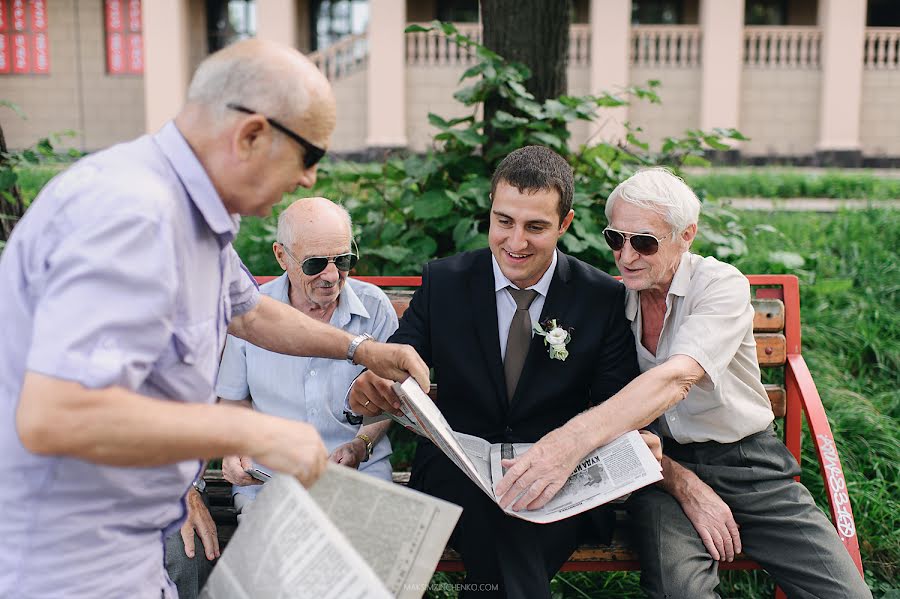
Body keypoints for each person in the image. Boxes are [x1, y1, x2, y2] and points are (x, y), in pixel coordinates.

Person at [0, 39, 427, 598]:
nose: (309, 181)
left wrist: (363, 350)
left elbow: (250, 314)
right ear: (251, 135)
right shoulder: (133, 216)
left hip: (128, 541)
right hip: (71, 556)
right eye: (309, 157)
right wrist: (256, 430)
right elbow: (57, 414)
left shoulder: (186, 214)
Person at [492, 168, 871, 598]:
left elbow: (677, 377)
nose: (626, 256)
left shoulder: (719, 286)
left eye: (645, 242)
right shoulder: (616, 301)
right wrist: (680, 482)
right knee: (681, 593)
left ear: (686, 235)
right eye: (616, 238)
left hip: (749, 464)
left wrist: (566, 445)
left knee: (845, 594)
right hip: (657, 468)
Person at [348, 146, 661, 598]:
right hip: (458, 470)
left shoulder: (599, 298)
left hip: (558, 476)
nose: (515, 243)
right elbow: (397, 363)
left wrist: (629, 438)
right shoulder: (446, 282)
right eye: (504, 221)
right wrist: (373, 386)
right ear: (490, 213)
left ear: (565, 224)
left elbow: (622, 404)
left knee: (510, 522)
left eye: (536, 227)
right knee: (500, 521)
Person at [164, 198, 397, 597]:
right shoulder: (251, 311)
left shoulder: (373, 307)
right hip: (270, 480)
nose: (331, 275)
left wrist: (361, 443)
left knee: (361, 575)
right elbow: (234, 404)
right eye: (314, 264)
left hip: (356, 473)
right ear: (281, 256)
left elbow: (391, 403)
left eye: (343, 259)